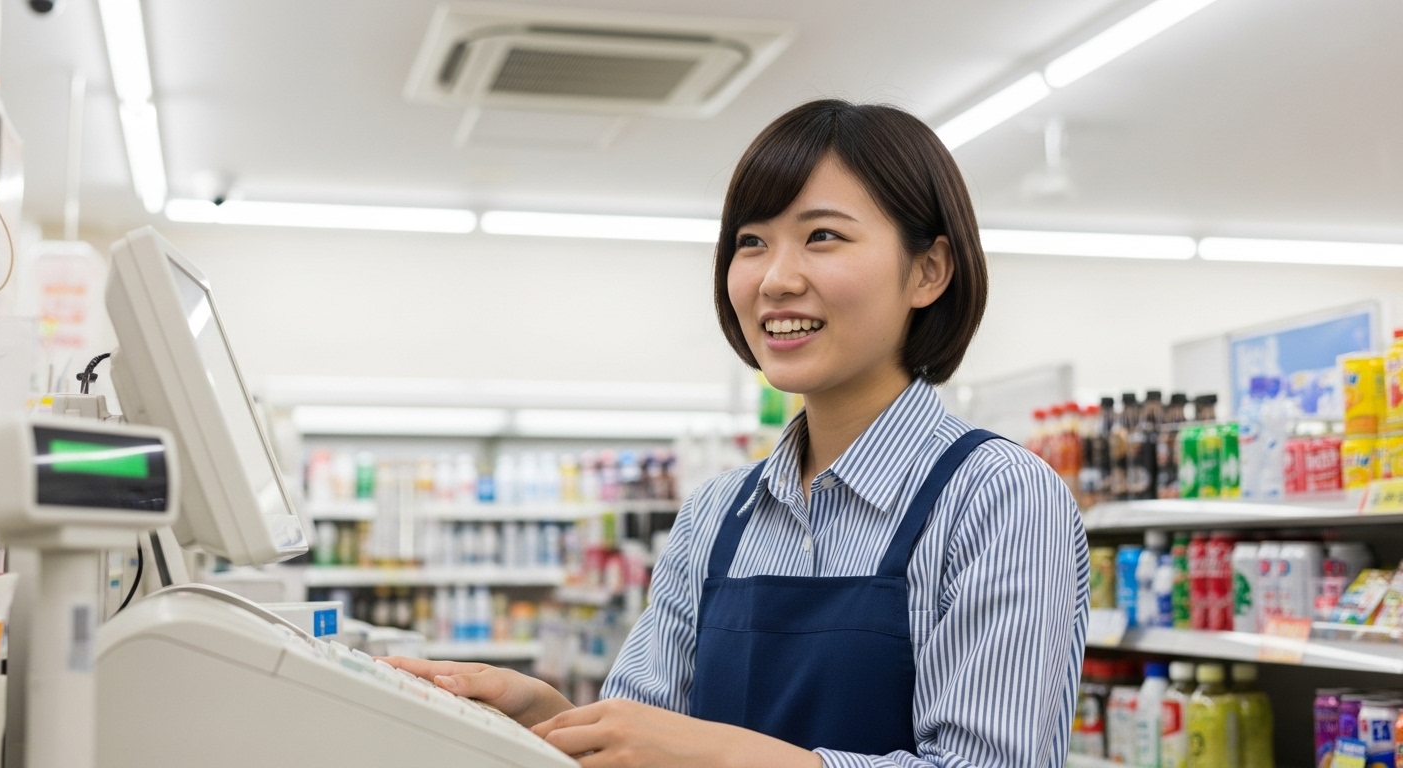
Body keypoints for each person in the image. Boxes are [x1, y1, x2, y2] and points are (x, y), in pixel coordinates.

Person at [385, 99, 1089, 768]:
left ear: (929, 270)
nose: (775, 279)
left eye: (823, 236)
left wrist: (724, 756)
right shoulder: (716, 514)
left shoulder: (999, 499)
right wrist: (550, 719)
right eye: (751, 242)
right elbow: (654, 734)